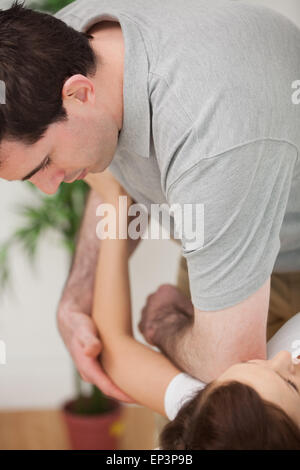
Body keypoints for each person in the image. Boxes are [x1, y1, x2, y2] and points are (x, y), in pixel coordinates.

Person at [1, 0, 300, 411]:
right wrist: (76, 296)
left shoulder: (213, 137)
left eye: (47, 162)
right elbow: (114, 184)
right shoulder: (65, 43)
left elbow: (231, 369)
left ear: (79, 93)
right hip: (228, 232)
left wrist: (166, 326)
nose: (49, 189)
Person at [85, 168, 300, 450]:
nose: (284, 357)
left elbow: (114, 351)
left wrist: (116, 198)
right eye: (291, 384)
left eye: (248, 364)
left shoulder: (226, 421)